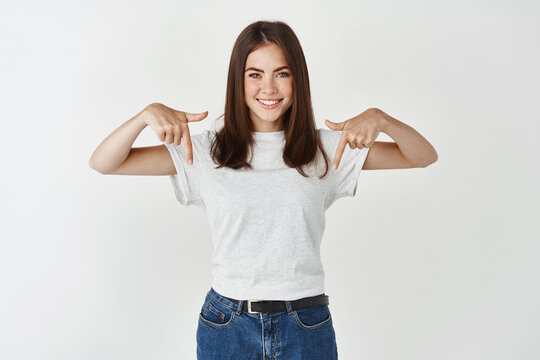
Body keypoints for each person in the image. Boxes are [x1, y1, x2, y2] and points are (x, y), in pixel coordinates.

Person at [89, 20, 437, 360]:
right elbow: (105, 162)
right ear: (237, 82)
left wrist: (384, 119)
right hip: (226, 325)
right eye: (255, 74)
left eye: (281, 74)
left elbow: (422, 156)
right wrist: (144, 116)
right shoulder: (206, 153)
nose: (268, 88)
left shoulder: (328, 150)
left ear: (297, 80)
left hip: (306, 326)